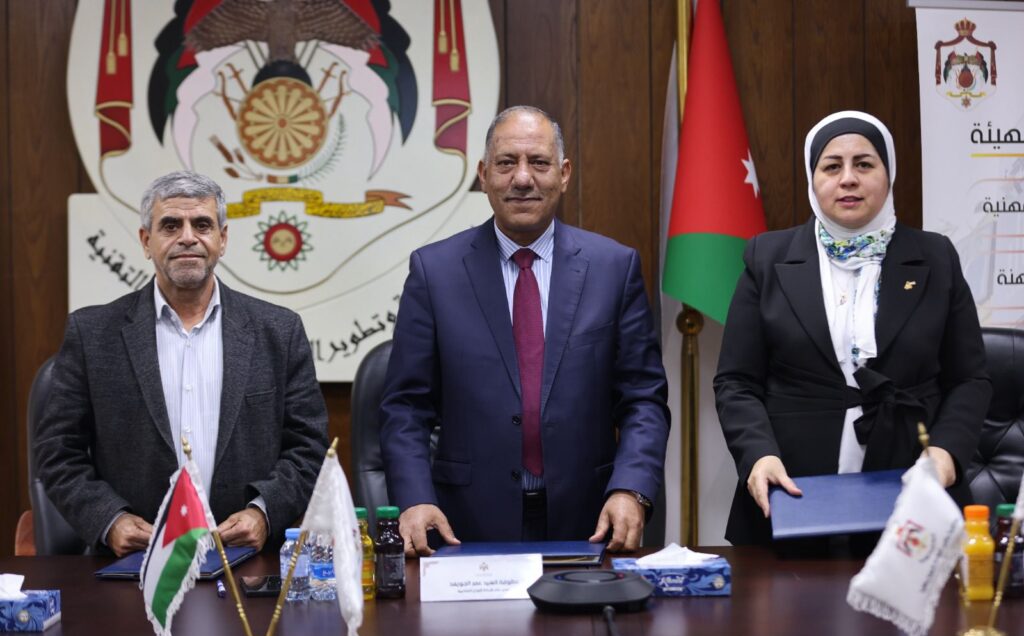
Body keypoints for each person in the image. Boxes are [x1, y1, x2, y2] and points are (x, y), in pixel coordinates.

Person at [380, 105, 669, 555]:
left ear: (564, 174)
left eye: (538, 162)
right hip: (464, 527)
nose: (522, 178)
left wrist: (631, 488)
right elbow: (405, 407)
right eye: (506, 163)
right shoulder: (434, 272)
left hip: (589, 521)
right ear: (483, 175)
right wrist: (415, 499)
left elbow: (643, 399)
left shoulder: (614, 268)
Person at [714, 110, 991, 545]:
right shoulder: (767, 258)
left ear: (888, 173)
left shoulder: (936, 257)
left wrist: (946, 452)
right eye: (831, 166)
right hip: (792, 492)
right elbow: (736, 381)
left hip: (913, 490)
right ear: (813, 179)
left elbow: (970, 378)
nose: (848, 179)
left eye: (864, 164)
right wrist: (758, 455)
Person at [37, 171, 328, 556]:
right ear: (146, 241)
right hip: (136, 564)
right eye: (171, 225)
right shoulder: (93, 335)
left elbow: (309, 446)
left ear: (223, 239)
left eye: (202, 225)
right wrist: (109, 519)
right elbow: (58, 452)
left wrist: (264, 512)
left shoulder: (279, 331)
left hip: (245, 562)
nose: (188, 237)